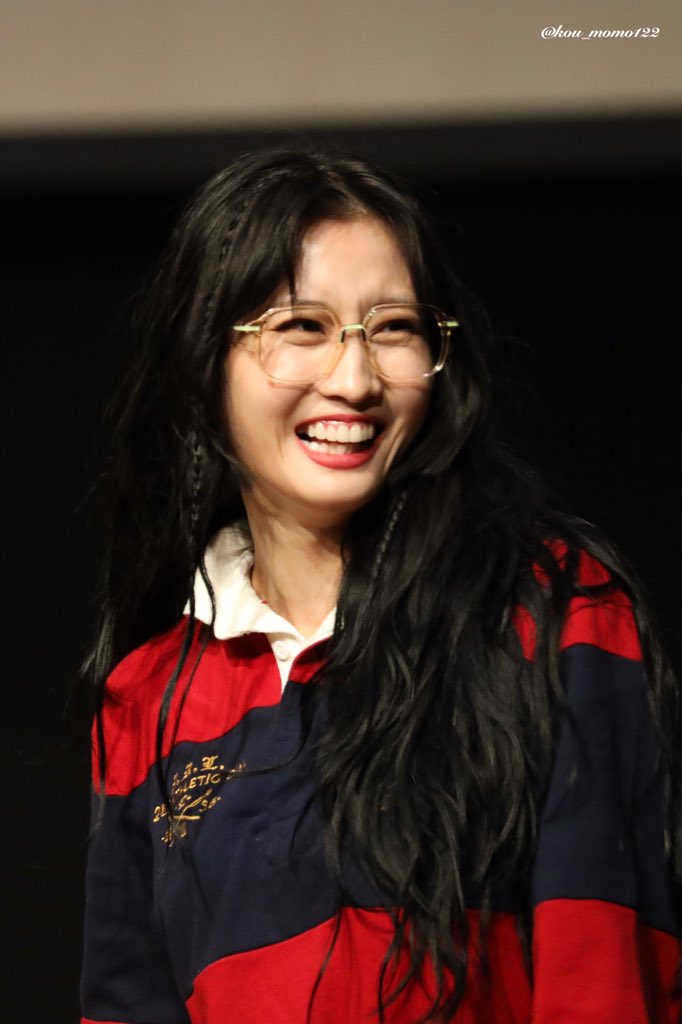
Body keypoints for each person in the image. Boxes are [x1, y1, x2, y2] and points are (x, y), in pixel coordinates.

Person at [80, 148, 682, 1024]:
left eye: (393, 328)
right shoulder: (148, 696)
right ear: (202, 364)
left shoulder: (548, 609)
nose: (355, 379)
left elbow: (605, 979)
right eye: (301, 326)